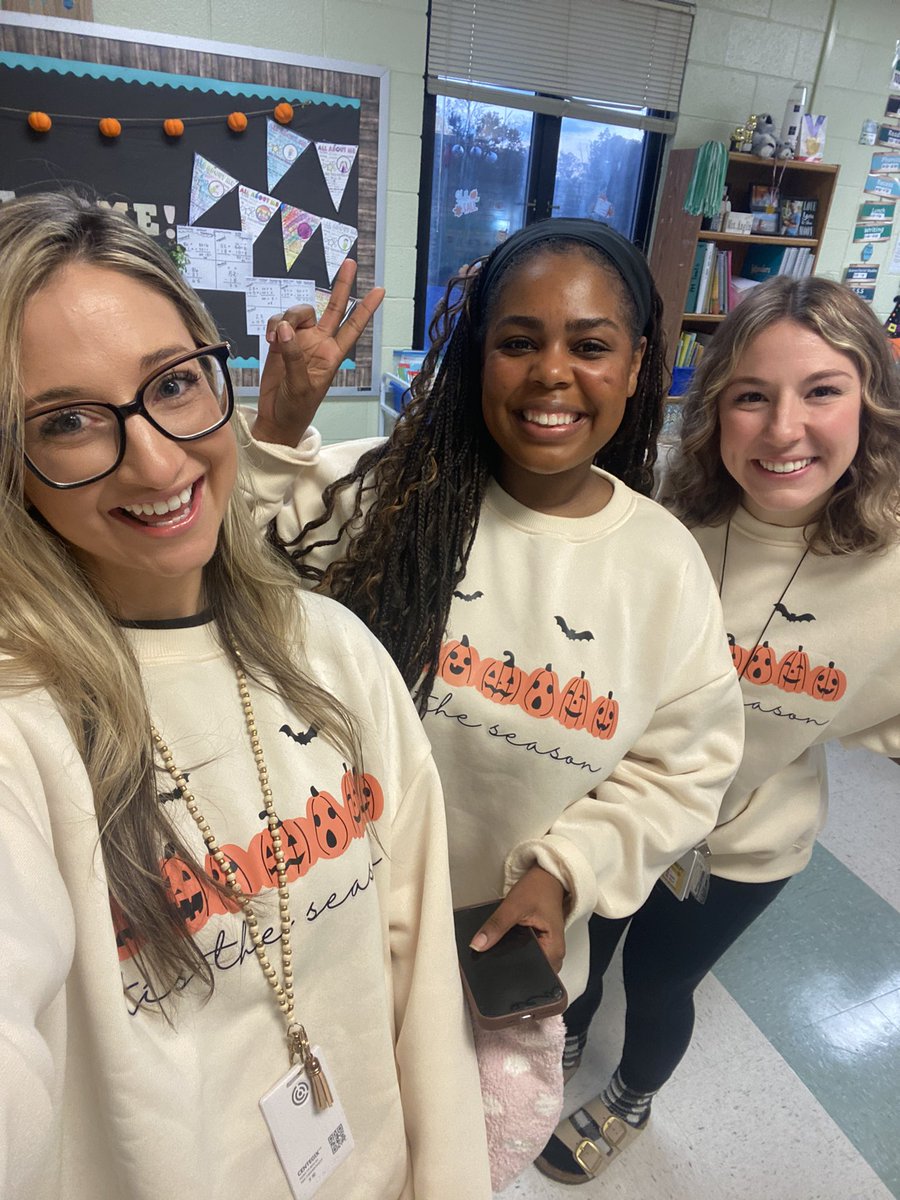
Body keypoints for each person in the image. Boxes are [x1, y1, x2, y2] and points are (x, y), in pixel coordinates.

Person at [0, 192, 492, 1200]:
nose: (155, 458)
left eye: (174, 383)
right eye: (68, 421)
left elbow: (417, 970)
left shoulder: (333, 651)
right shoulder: (23, 724)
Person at [243, 217, 745, 1017]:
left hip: (494, 949)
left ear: (635, 364)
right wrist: (275, 431)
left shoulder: (663, 566)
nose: (552, 373)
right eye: (518, 343)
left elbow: (680, 770)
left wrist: (566, 871)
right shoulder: (377, 496)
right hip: (323, 926)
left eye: (590, 346)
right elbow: (222, 576)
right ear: (480, 355)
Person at [538, 275, 900, 1183]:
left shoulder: (891, 567)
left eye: (823, 390)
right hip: (614, 810)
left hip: (740, 847)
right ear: (715, 410)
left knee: (661, 982)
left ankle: (631, 1096)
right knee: (585, 950)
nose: (784, 430)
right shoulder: (666, 520)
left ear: (871, 404)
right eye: (752, 396)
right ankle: (564, 1036)